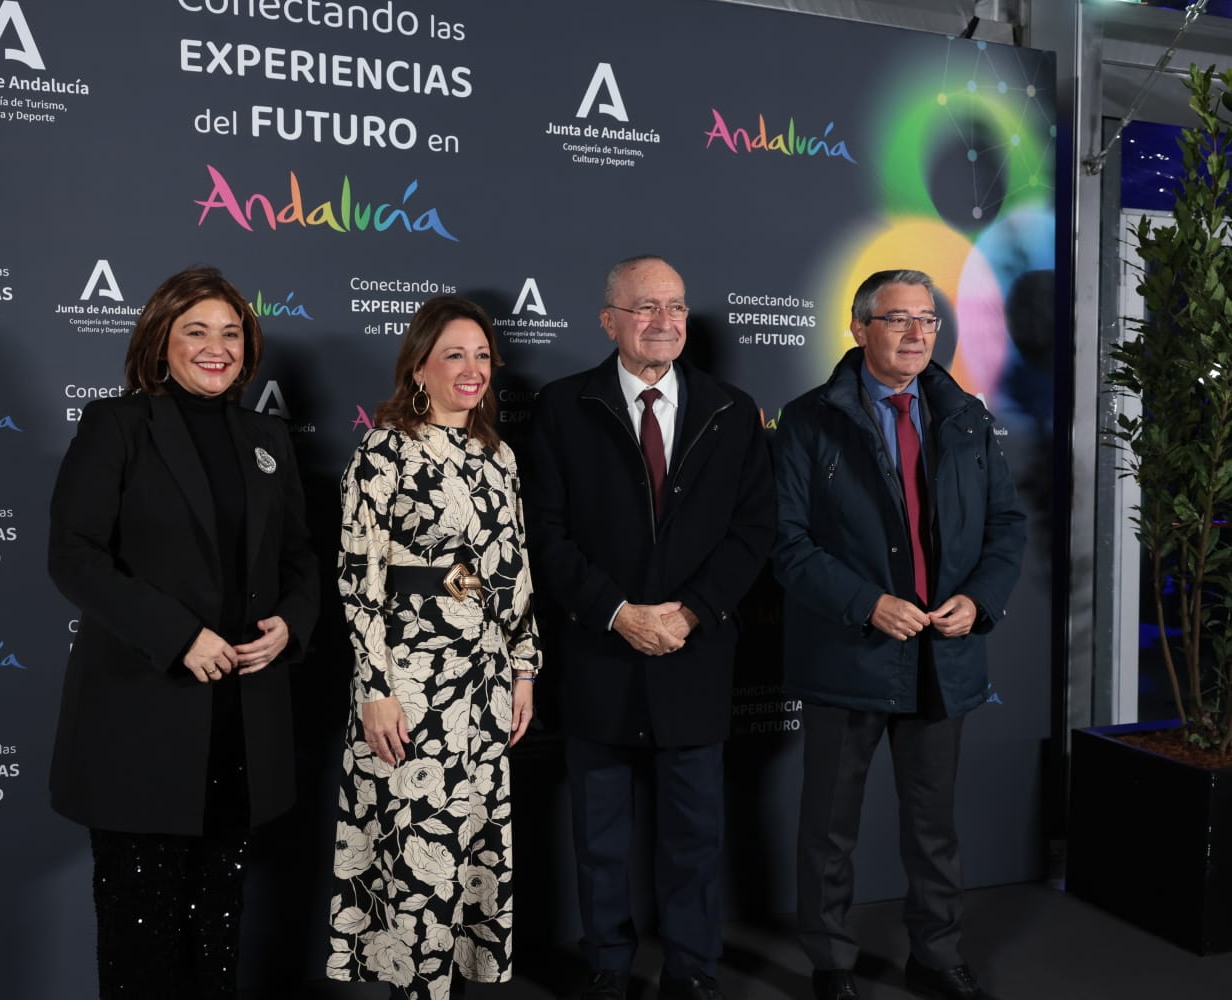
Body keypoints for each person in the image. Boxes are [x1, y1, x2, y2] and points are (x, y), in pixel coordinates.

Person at [47, 265, 319, 998]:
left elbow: (299, 559)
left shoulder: (267, 437)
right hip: (144, 721)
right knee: (142, 935)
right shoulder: (118, 425)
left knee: (216, 927)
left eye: (231, 333)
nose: (216, 346)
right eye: (196, 330)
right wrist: (179, 636)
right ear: (159, 340)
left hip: (239, 724)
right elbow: (73, 556)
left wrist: (290, 627)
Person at [770, 269, 1025, 1000]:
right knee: (829, 827)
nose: (917, 335)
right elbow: (786, 543)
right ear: (859, 329)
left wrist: (980, 600)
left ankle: (937, 953)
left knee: (933, 825)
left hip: (941, 655)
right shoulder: (809, 420)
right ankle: (832, 964)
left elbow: (1006, 525)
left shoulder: (966, 416)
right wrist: (867, 604)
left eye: (928, 321)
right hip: (849, 651)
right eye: (897, 320)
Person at [530, 255, 776, 1000]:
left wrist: (692, 611)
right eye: (645, 308)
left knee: (694, 835)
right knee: (600, 835)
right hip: (599, 653)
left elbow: (754, 529)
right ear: (609, 322)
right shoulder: (562, 407)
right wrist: (618, 612)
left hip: (694, 655)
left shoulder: (733, 411)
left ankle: (691, 968)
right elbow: (543, 532)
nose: (664, 321)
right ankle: (608, 962)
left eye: (674, 306)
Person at [327, 295, 541, 1000]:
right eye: (455, 354)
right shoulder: (384, 447)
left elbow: (513, 574)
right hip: (410, 688)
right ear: (419, 366)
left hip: (481, 687)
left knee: (467, 855)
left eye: (482, 355)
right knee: (418, 869)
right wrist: (376, 690)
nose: (473, 368)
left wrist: (524, 670)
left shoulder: (498, 454)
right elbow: (359, 581)